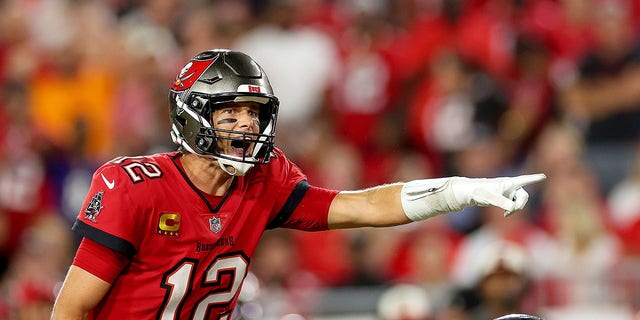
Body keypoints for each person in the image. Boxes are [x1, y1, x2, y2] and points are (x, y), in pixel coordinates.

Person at [50, 49, 546, 319]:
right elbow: (72, 309)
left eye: (254, 112)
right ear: (193, 115)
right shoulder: (134, 185)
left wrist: (461, 190)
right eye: (232, 112)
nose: (246, 125)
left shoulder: (263, 180)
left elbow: (362, 207)